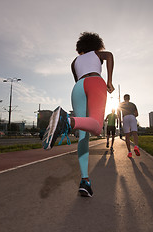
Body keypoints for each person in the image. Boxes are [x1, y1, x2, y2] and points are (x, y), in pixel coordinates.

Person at [42, 32, 114, 197]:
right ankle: (66, 120)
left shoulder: (74, 62)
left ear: (80, 47)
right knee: (96, 127)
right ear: (96, 44)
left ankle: (85, 181)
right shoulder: (96, 53)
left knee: (83, 134)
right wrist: (109, 80)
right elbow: (109, 55)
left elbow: (77, 80)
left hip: (78, 88)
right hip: (95, 82)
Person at [118, 94, 140, 158]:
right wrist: (133, 117)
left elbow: (119, 113)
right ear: (129, 98)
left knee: (127, 136)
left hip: (125, 117)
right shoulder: (133, 104)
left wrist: (120, 120)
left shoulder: (121, 104)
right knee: (134, 133)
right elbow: (137, 114)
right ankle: (136, 146)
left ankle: (129, 152)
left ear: (124, 98)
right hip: (132, 116)